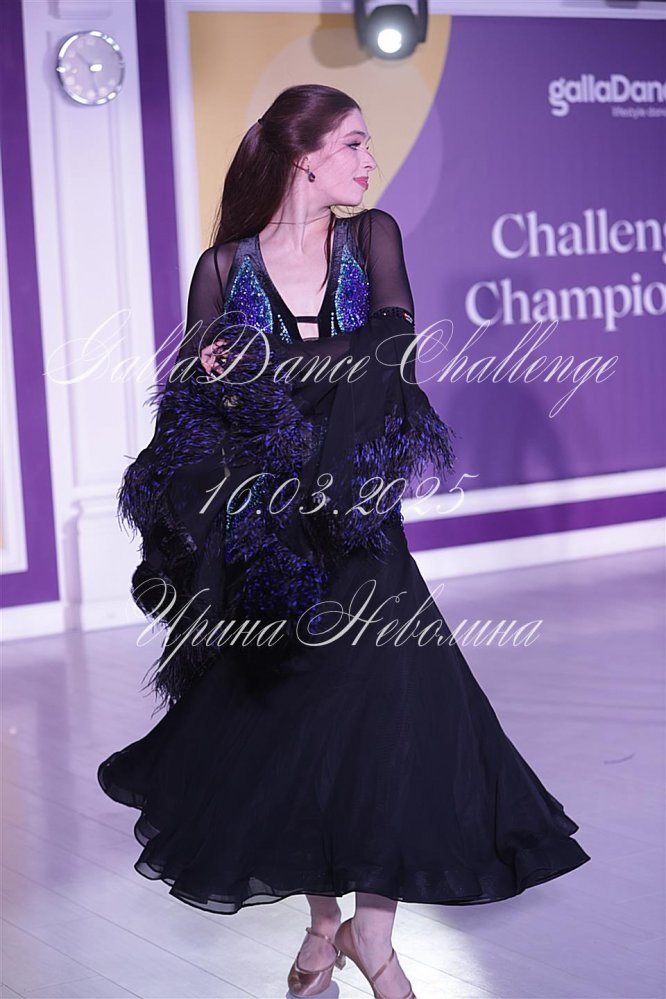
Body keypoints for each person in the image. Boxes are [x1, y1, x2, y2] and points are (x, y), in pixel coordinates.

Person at [97, 84, 590, 999]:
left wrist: (266, 365)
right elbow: (201, 408)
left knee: (393, 714)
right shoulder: (224, 266)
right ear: (303, 155)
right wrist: (295, 370)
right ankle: (328, 923)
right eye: (354, 144)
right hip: (267, 538)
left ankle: (371, 930)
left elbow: (393, 352)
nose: (369, 161)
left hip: (359, 521)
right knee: (290, 726)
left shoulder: (373, 240)